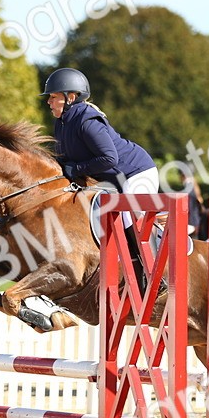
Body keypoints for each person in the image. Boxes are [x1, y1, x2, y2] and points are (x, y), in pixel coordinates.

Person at [42, 67, 163, 292]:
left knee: (127, 214)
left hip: (136, 172)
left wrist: (77, 168)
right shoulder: (62, 123)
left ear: (70, 97)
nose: (49, 102)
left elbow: (109, 158)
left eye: (53, 97)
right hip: (113, 179)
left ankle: (155, 274)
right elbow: (65, 159)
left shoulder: (87, 120)